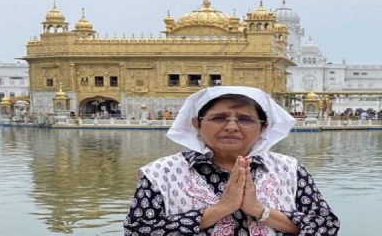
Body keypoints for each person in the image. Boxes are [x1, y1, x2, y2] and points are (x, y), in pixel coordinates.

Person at [124, 86, 340, 235]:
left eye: (245, 119)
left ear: (263, 127)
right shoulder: (162, 173)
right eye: (219, 118)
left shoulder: (289, 170)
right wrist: (221, 209)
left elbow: (326, 225)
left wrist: (259, 210)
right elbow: (137, 230)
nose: (231, 127)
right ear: (196, 124)